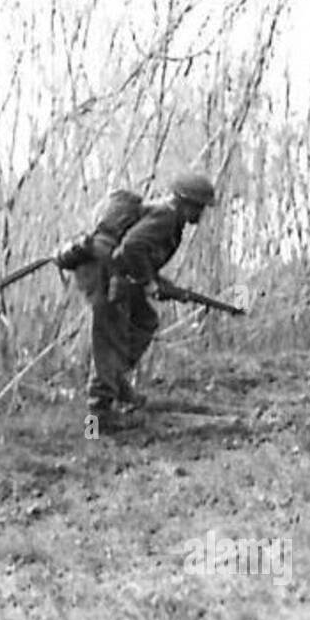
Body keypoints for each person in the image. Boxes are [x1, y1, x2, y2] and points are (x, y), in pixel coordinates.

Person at [56, 172, 217, 432]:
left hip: (109, 270)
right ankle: (97, 421)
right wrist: (149, 283)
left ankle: (115, 381)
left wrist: (156, 281)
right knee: (109, 338)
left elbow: (135, 253)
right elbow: (130, 248)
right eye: (200, 206)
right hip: (101, 271)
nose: (201, 212)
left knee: (145, 320)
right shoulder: (167, 215)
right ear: (188, 203)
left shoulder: (167, 215)